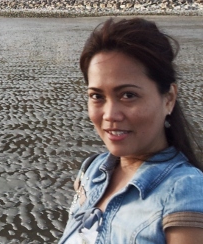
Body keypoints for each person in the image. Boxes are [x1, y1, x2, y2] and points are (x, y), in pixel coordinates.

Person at [59, 18, 203, 243]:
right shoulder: (92, 170)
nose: (110, 115)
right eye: (97, 96)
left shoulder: (185, 191)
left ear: (169, 99)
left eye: (128, 95)